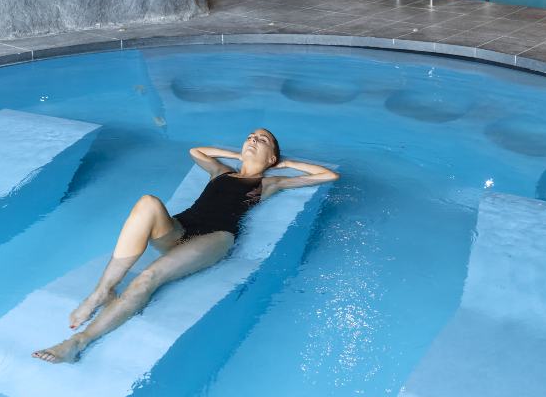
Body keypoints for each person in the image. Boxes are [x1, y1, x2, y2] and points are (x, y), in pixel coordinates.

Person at [33, 128, 338, 363]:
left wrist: (284, 164)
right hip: (181, 227)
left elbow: (328, 175)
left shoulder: (269, 183)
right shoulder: (222, 172)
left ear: (271, 158)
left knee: (147, 278)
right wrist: (238, 156)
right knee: (148, 202)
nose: (253, 139)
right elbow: (197, 151)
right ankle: (102, 291)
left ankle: (78, 342)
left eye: (262, 140)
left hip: (216, 236)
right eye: (250, 136)